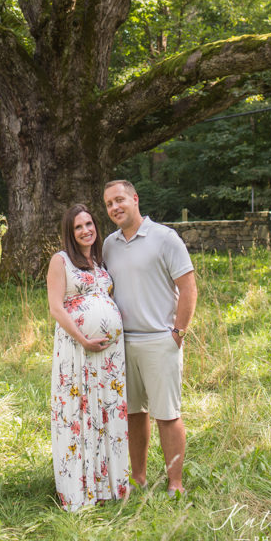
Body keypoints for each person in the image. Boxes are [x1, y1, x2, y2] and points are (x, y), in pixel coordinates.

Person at [102, 179, 197, 496]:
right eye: (109, 204)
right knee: (133, 413)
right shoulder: (109, 245)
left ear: (135, 199)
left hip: (160, 340)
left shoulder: (165, 238)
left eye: (119, 200)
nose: (115, 207)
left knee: (167, 415)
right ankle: (138, 478)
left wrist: (178, 333)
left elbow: (188, 287)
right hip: (122, 344)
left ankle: (175, 484)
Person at [47, 203, 129, 511]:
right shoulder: (61, 261)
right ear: (70, 232)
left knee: (106, 412)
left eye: (89, 224)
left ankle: (108, 485)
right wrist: (83, 338)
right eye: (78, 227)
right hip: (78, 350)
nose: (86, 230)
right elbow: (56, 308)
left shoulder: (100, 262)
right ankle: (79, 489)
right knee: (80, 412)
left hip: (108, 357)